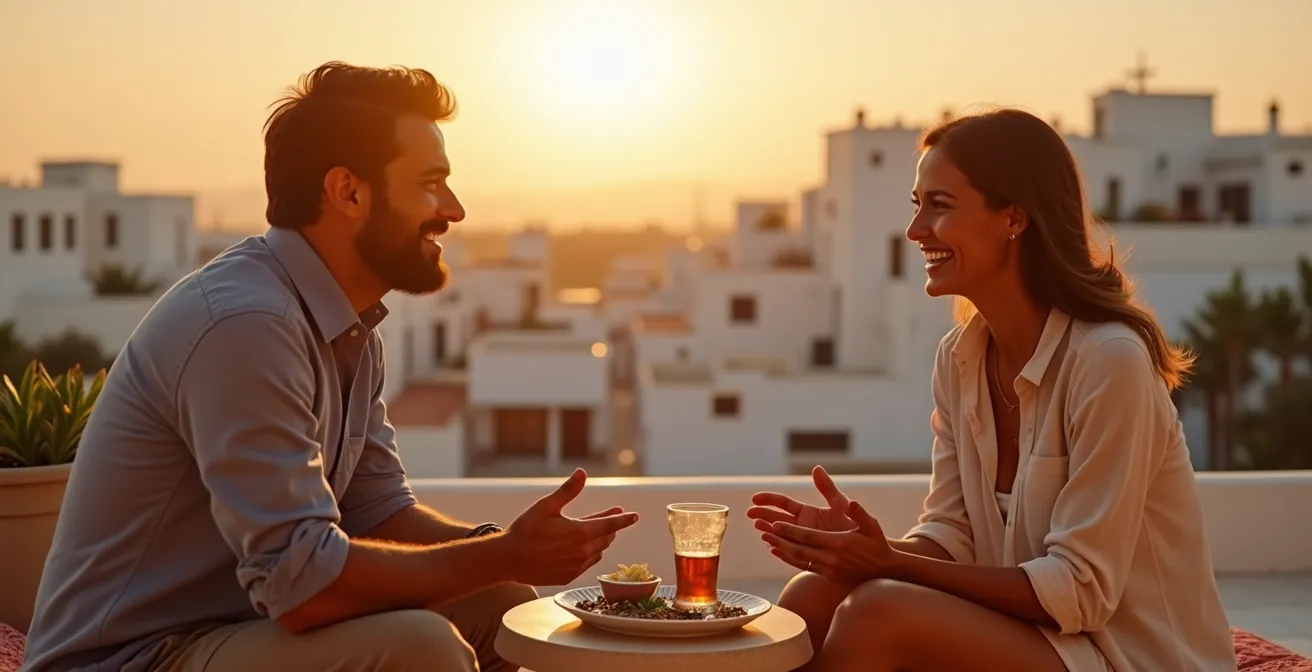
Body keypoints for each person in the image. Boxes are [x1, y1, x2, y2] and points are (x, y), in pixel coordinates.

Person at [22, 61, 639, 672]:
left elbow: (377, 512)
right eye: (430, 183)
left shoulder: (348, 324)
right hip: (134, 657)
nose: (454, 209)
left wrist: (501, 550)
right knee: (421, 648)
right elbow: (302, 584)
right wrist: (506, 553)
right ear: (348, 191)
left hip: (234, 634)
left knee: (500, 604)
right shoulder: (246, 325)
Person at [747, 109, 1236, 671]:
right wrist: (864, 548)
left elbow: (1079, 591)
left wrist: (888, 565)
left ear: (1014, 218)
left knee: (875, 611)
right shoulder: (960, 358)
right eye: (917, 205)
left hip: (1131, 657)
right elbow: (953, 535)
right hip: (1044, 639)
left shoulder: (1109, 361)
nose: (915, 231)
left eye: (940, 206)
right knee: (810, 595)